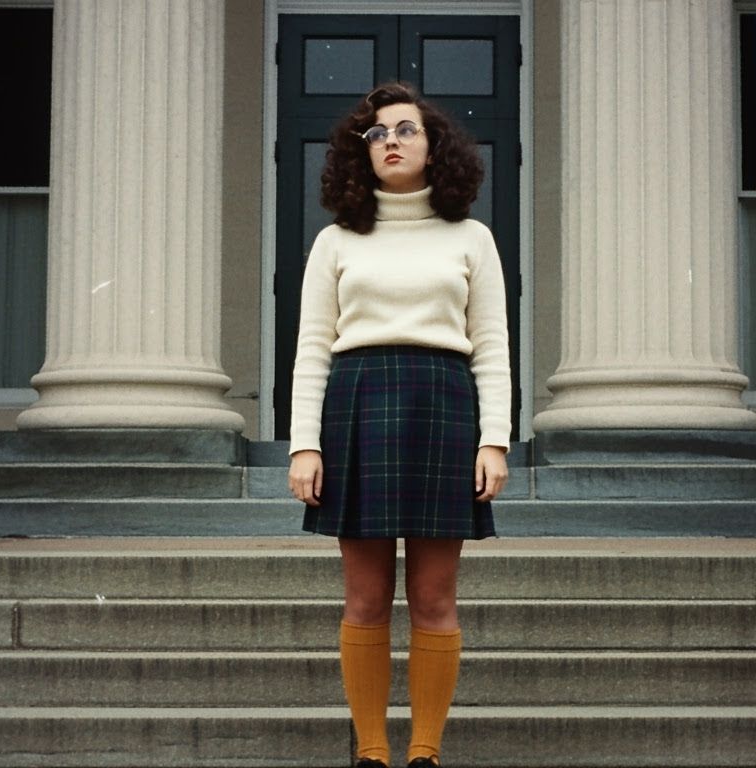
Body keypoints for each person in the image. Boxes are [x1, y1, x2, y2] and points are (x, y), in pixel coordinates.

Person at [287, 81, 511, 768]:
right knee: (365, 597)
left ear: (434, 146)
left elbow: (492, 344)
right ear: (362, 152)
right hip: (357, 406)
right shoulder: (335, 241)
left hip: (444, 406)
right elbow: (313, 346)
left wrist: (494, 439)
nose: (390, 141)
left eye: (406, 129)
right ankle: (372, 751)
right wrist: (304, 444)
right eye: (377, 133)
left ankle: (425, 751)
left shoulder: (472, 238)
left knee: (435, 596)